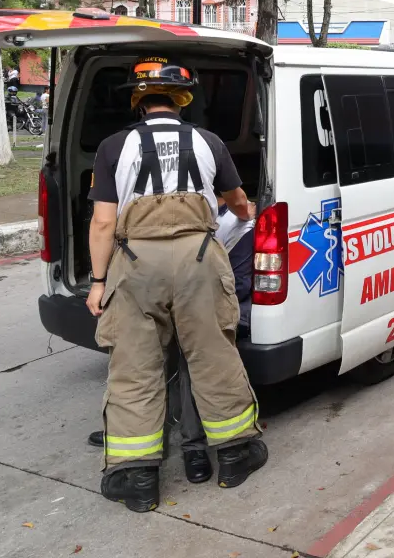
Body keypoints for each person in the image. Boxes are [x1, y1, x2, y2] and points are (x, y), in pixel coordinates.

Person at [86, 58, 267, 512]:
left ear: (138, 101)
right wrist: (244, 216)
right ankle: (234, 457)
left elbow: (104, 223)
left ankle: (138, 480)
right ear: (183, 101)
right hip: (198, 261)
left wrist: (98, 282)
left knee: (134, 367)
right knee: (212, 354)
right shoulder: (208, 142)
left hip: (135, 263)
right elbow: (238, 201)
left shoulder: (112, 146)